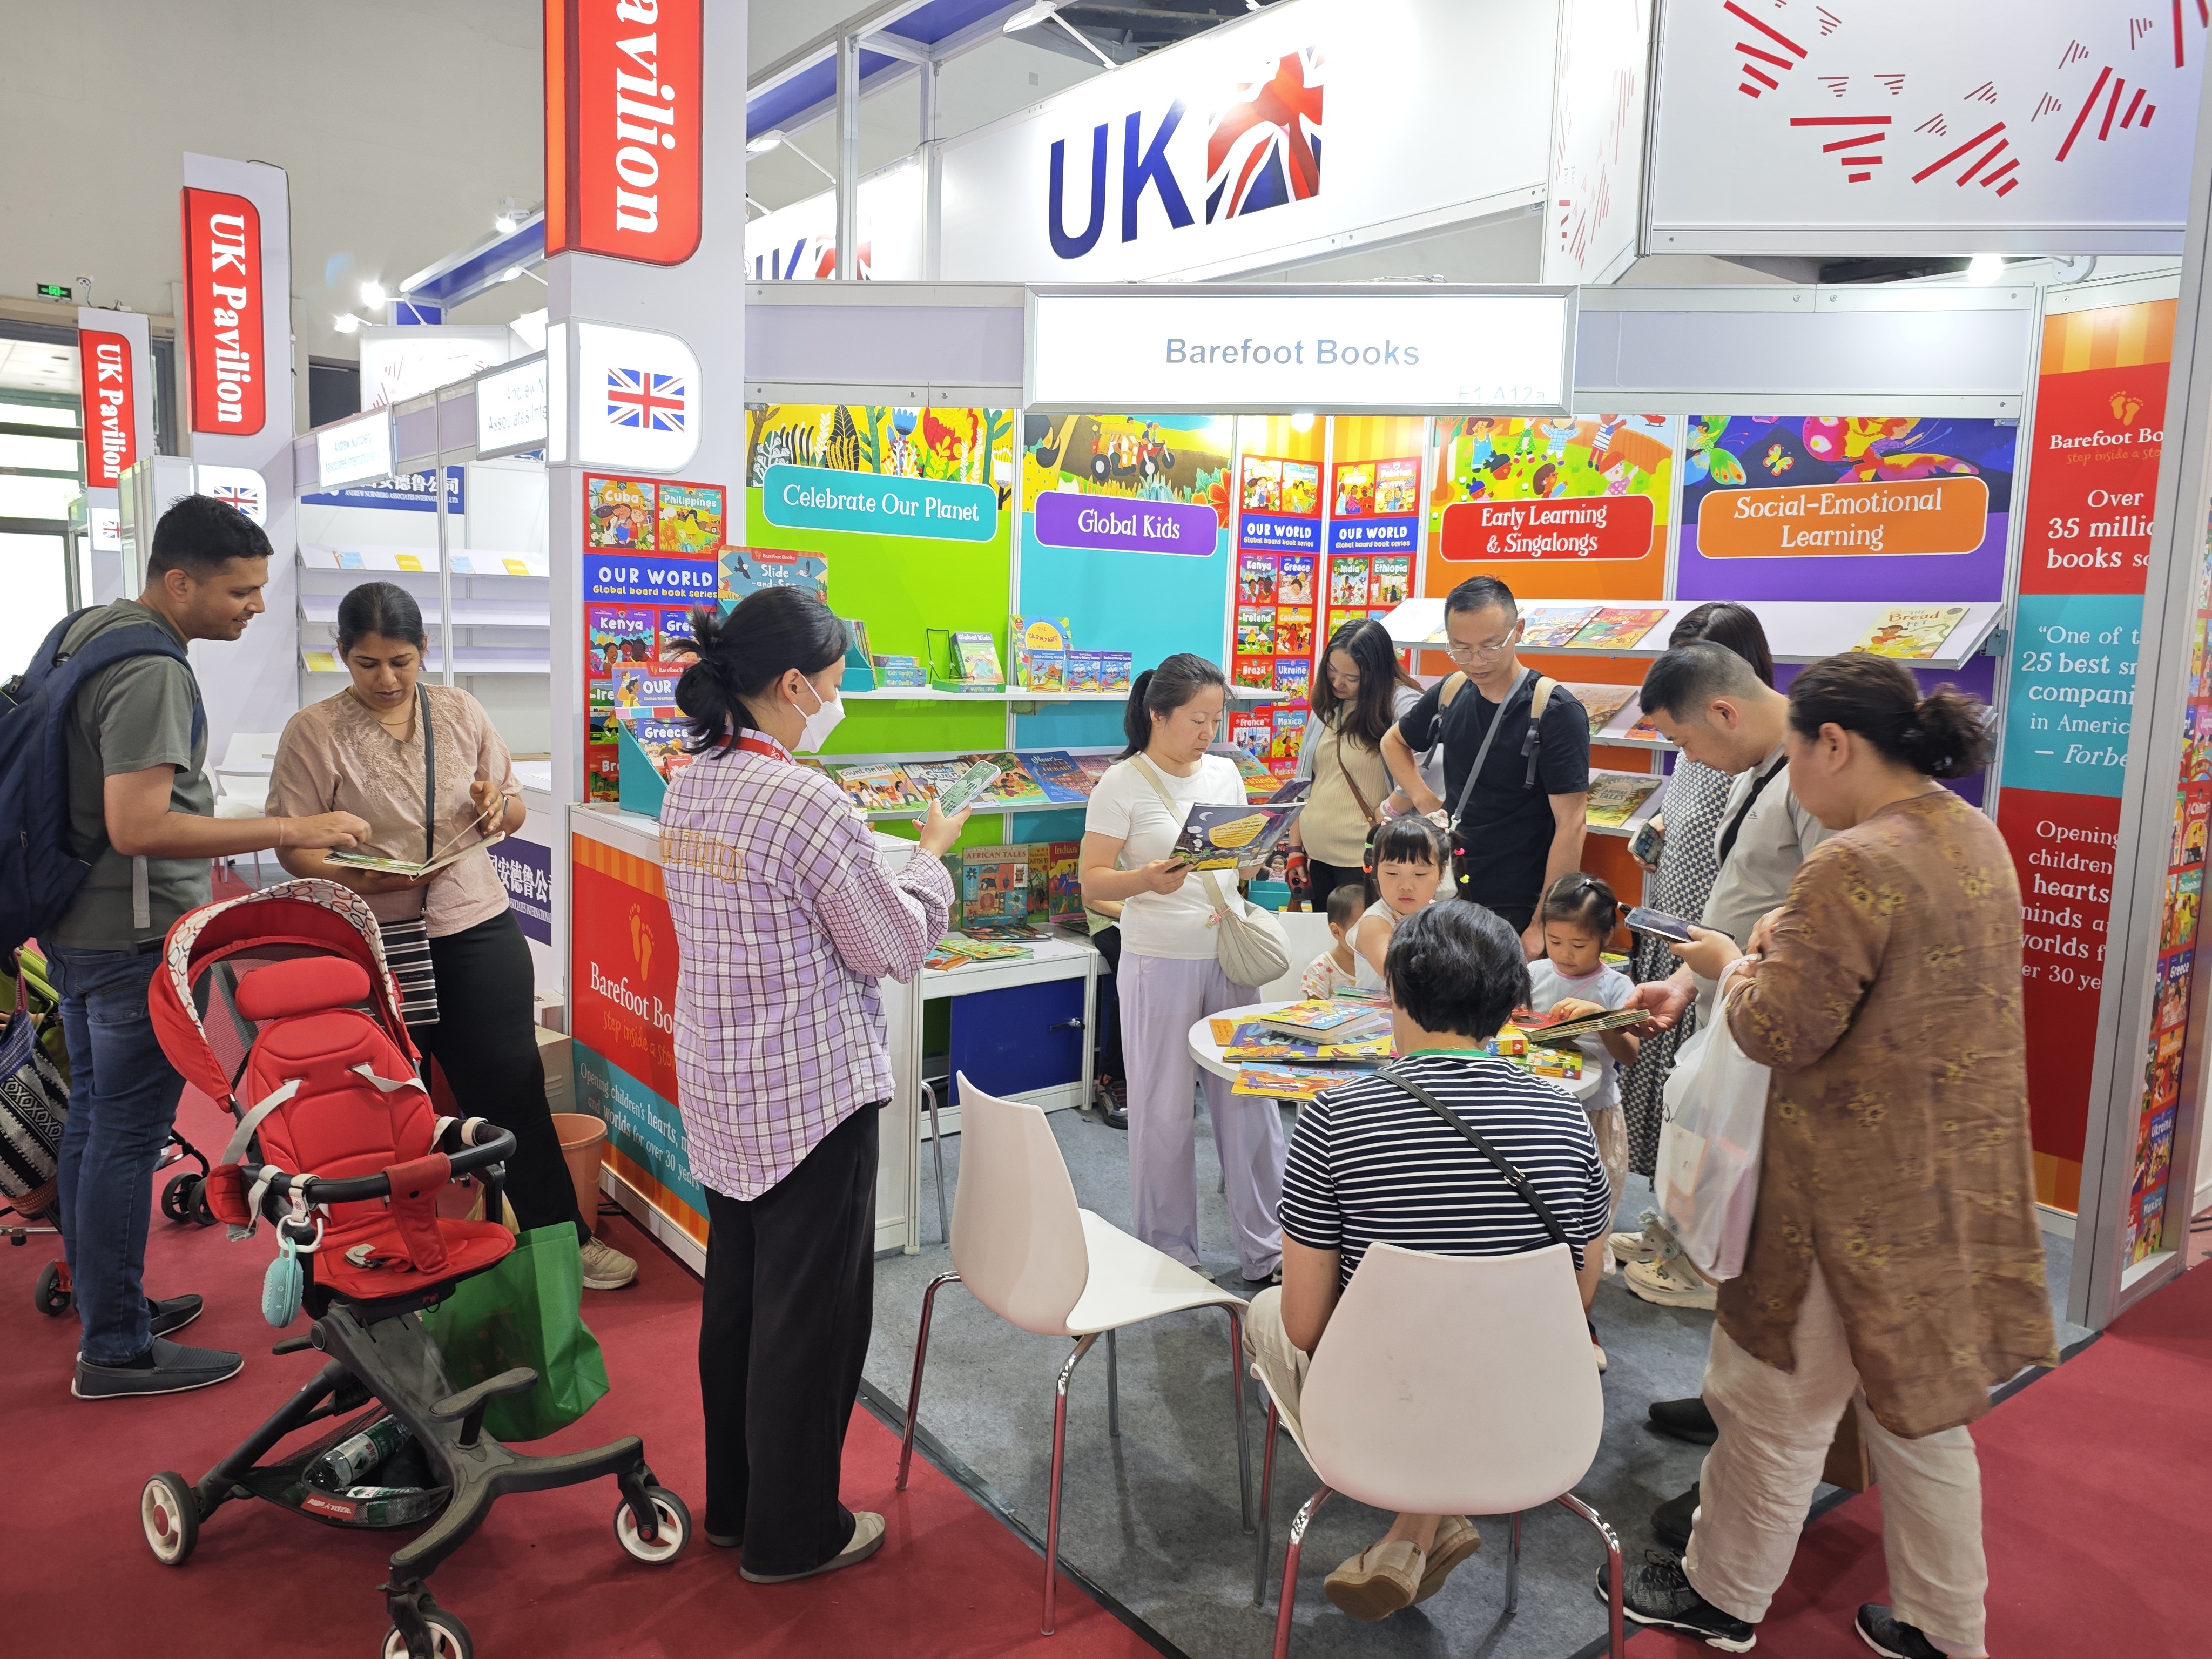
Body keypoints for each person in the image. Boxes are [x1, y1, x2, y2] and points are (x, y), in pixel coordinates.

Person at [1610, 653, 2054, 1659]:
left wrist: (1730, 965)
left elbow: (1779, 1030)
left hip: (1836, 1188)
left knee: (1771, 1401)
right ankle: (1948, 1627)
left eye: (1799, 756)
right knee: (1921, 1413)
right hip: (1945, 1172)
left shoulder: (1853, 859)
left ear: (1834, 746)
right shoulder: (1972, 833)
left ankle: (1721, 1596)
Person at [659, 586, 968, 1584]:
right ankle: (795, 1532)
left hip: (721, 1076)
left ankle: (738, 1505)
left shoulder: (692, 775)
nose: (837, 701)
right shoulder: (805, 797)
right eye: (834, 686)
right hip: (809, 1092)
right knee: (814, 1318)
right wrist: (927, 861)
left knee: (741, 1301)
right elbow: (890, 945)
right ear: (793, 685)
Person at [50, 495, 370, 1400]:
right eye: (241, 591)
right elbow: (140, 823)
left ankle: (104, 1304)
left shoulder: (88, 633)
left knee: (91, 1124)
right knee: (126, 1133)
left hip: (76, 926)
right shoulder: (151, 671)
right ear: (178, 581)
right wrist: (286, 826)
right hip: (133, 938)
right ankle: (115, 1345)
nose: (256, 607)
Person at [1247, 902, 1611, 1622]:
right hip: (1529, 1407)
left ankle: (1418, 1521)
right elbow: (1579, 1302)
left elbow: (1305, 1324)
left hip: (1379, 1406)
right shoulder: (1566, 1119)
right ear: (1513, 1007)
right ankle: (1423, 1525)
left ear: (1393, 996)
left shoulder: (1332, 1118)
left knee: (1262, 1310)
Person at [267, 582, 635, 1291]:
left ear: (424, 652)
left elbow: (515, 807)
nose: (386, 679)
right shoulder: (313, 731)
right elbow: (294, 847)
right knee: (387, 1099)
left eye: (401, 661)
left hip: (473, 919)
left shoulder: (458, 710)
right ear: (341, 654)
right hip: (373, 938)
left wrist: (498, 807)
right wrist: (352, 873)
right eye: (368, 663)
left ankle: (564, 1240)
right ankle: (392, 1253)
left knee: (512, 1086)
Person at [1621, 638, 1831, 1313]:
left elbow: (1818, 915)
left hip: (1769, 1009)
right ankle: (1691, 1245)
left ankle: (1720, 1277)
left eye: (1684, 740)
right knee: (1706, 1133)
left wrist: (1734, 972)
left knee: (1747, 1155)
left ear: (1723, 712)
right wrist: (1688, 984)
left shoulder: (1811, 781)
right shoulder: (1756, 767)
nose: (1687, 759)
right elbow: (1737, 891)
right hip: (1729, 994)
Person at [1081, 653, 1285, 1286]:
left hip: (1227, 950)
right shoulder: (1121, 783)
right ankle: (1171, 1255)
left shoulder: (1225, 774)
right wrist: (1145, 880)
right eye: (1197, 719)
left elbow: (1235, 862)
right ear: (1157, 714)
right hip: (1159, 960)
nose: (1208, 731)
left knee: (1251, 1104)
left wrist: (1255, 856)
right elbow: (1091, 883)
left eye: (1215, 718)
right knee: (1163, 1110)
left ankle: (1269, 1250)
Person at [1616, 604, 1771, 1179]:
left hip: (1713, 942)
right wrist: (1657, 831)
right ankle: (1665, 1209)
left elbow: (1742, 867)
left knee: (1697, 1093)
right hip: (1675, 931)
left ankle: (1683, 1221)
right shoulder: (1697, 746)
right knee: (1661, 1079)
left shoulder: (1746, 751)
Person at [1380, 575, 1590, 952]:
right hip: (1449, 889)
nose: (1476, 662)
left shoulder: (1554, 710)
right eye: (1460, 649)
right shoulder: (1452, 690)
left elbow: (1572, 824)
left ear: (1518, 631)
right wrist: (1426, 801)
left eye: (1490, 647)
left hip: (1516, 901)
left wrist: (1543, 922)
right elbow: (1393, 741)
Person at [1285, 619, 1421, 912]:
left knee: (1365, 949)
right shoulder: (1328, 705)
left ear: (1377, 673)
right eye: (1331, 671)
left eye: (1352, 676)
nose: (1338, 683)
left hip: (1367, 862)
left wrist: (1390, 809)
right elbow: (1305, 785)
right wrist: (1295, 850)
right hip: (1318, 861)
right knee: (1330, 949)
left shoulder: (1399, 703)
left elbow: (1431, 765)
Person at [1528, 873, 1637, 1208]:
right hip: (1537, 1109)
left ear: (1606, 937)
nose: (1564, 954)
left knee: (1589, 1202)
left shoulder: (1617, 987)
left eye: (1578, 945)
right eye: (1554, 940)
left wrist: (1601, 1019)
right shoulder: (1535, 973)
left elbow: (1630, 1054)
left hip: (1592, 1110)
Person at [1350, 815, 1448, 994]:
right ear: (1376, 870)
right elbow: (1401, 980)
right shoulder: (1375, 922)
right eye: (1392, 873)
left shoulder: (1439, 914)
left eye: (1419, 875)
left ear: (1441, 872)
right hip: (1382, 1020)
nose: (1406, 886)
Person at [1300, 882, 1366, 1000]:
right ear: (1337, 932)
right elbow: (1314, 1013)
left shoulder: (1381, 964)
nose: (1371, 937)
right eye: (1361, 930)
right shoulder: (1320, 969)